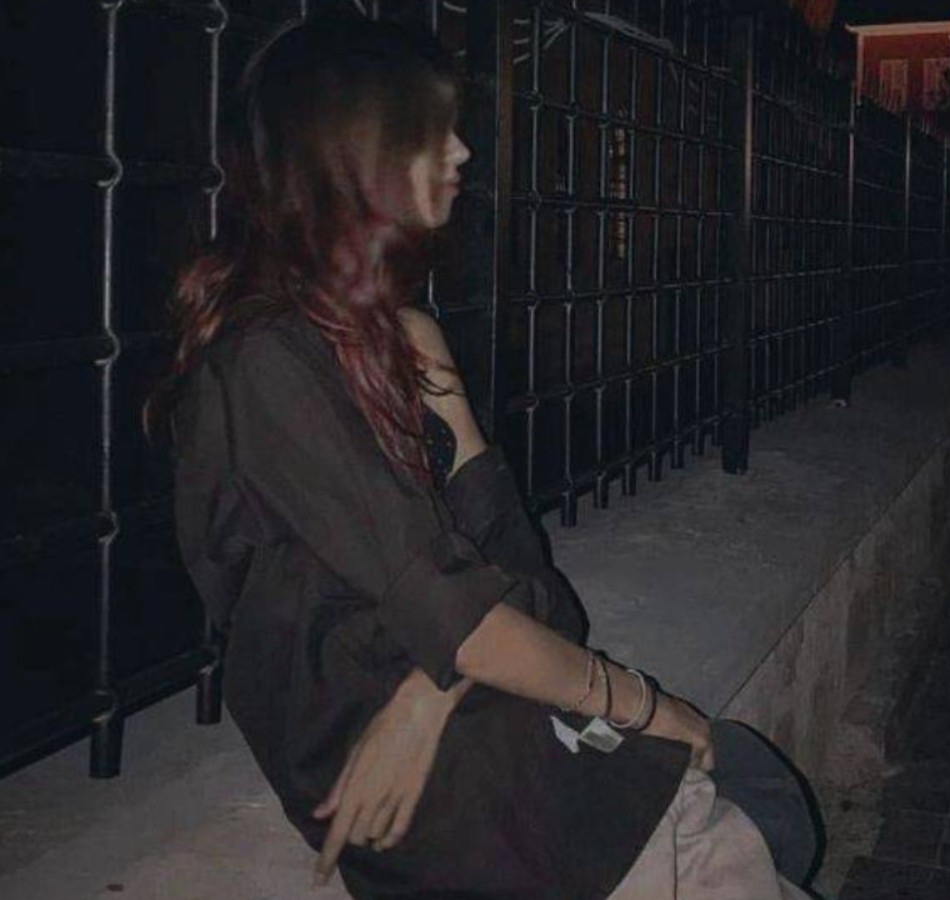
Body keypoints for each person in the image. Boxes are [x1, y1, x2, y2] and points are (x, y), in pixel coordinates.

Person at [164, 14, 814, 900]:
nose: (464, 151)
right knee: (741, 798)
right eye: (432, 129)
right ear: (354, 151)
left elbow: (526, 582)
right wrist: (652, 706)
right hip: (471, 808)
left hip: (504, 748)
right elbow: (460, 617)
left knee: (765, 803)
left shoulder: (398, 341)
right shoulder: (266, 361)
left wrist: (433, 689)